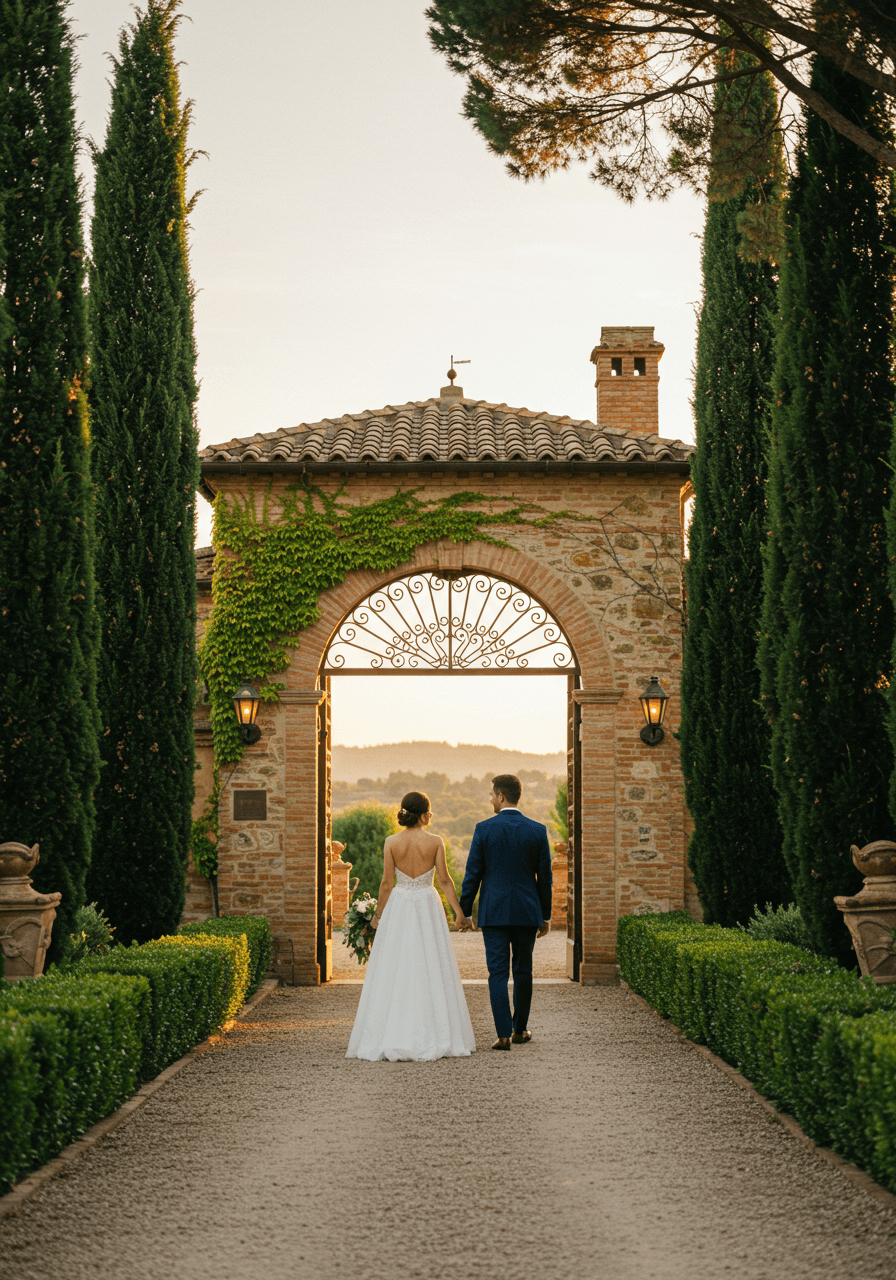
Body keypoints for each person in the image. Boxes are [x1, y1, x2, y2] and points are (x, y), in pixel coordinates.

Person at [345, 790, 476, 1061]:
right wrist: (460, 914)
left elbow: (386, 883)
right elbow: (445, 881)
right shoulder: (436, 841)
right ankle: (434, 1030)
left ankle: (390, 1031)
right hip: (427, 904)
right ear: (425, 814)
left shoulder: (392, 841)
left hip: (400, 904)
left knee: (396, 964)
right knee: (430, 962)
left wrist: (378, 915)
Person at [459, 774, 552, 1051]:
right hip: (526, 912)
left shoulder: (484, 829)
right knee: (524, 971)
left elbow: (472, 874)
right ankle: (520, 1031)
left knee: (496, 973)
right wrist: (545, 916)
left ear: (500, 796)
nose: (490, 799)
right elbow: (545, 879)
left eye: (491, 794)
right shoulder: (537, 830)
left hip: (494, 912)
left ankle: (502, 1035)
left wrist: (465, 911)